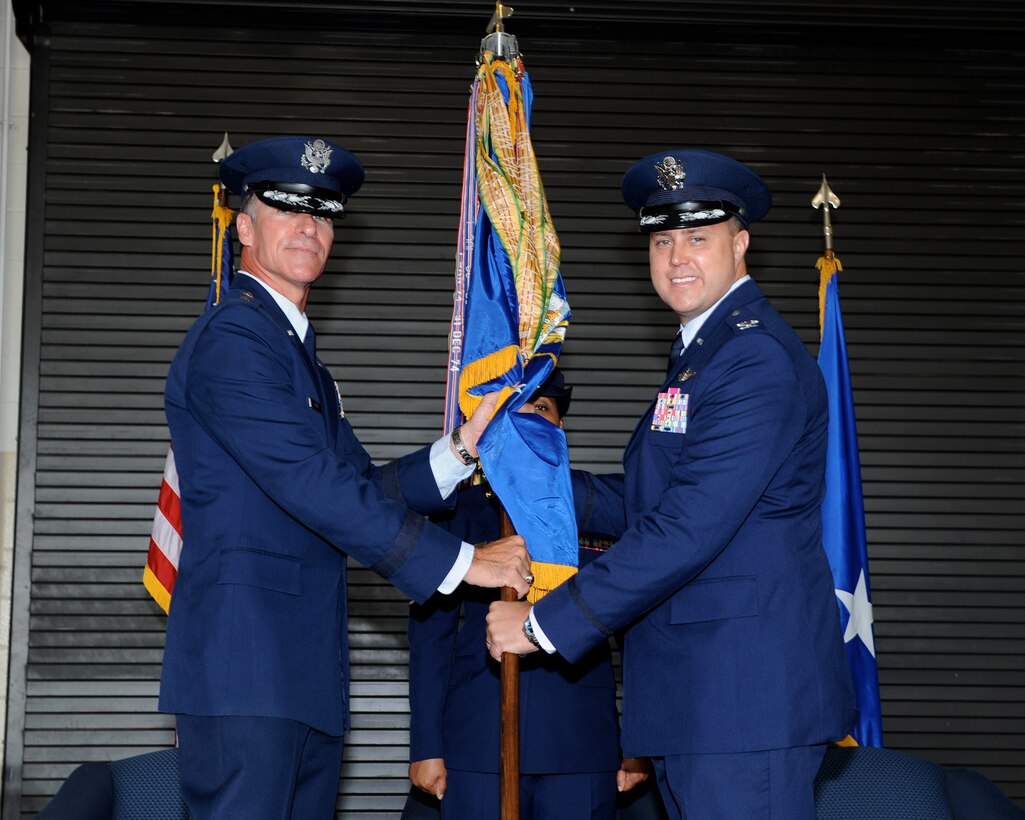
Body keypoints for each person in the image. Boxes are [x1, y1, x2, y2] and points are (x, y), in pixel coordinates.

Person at [158, 135, 531, 820]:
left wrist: (458, 451)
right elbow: (310, 484)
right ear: (243, 227)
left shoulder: (297, 356)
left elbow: (360, 486)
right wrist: (462, 561)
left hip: (297, 672)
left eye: (323, 213)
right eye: (287, 208)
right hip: (246, 672)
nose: (308, 226)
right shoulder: (235, 339)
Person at [486, 149, 857, 820]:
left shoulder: (751, 358)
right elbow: (651, 500)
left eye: (697, 237)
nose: (677, 256)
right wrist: (531, 478)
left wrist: (543, 624)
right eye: (662, 239)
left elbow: (688, 524)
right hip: (704, 700)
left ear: (739, 245)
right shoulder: (702, 352)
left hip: (740, 702)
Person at [402, 369, 666, 820]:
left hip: (582, 745)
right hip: (479, 746)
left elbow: (641, 632)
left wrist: (639, 741)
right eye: (513, 408)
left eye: (541, 408)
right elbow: (431, 637)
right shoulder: (456, 513)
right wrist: (427, 746)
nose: (527, 418)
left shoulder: (598, 507)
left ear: (560, 427)